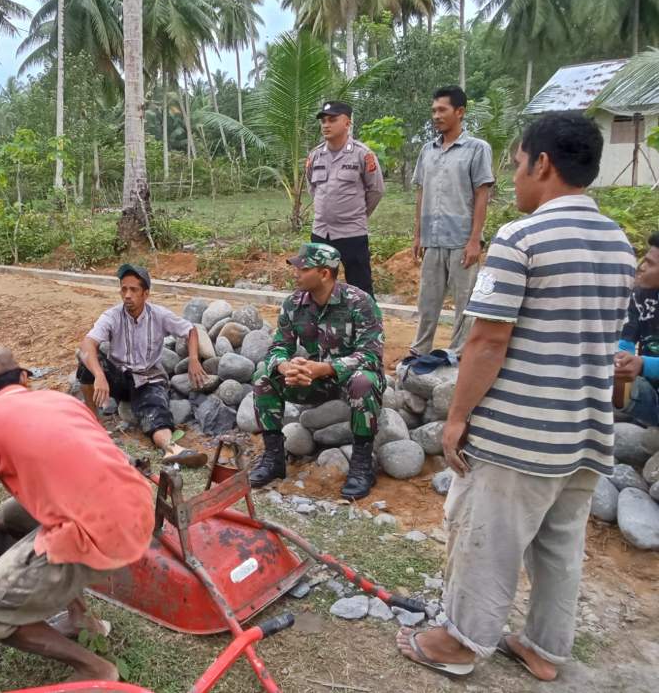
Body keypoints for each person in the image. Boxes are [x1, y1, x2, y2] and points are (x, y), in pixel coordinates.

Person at [396, 113, 635, 680]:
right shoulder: (619, 243)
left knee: (487, 537)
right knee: (558, 548)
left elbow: (486, 340)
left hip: (520, 435)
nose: (516, 175)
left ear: (543, 163)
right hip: (584, 430)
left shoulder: (521, 238)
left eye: (518, 163)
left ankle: (461, 642)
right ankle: (545, 650)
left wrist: (457, 419)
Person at [0, 345, 154, 684]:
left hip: (100, 535)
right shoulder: (63, 400)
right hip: (138, 511)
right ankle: (81, 618)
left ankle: (94, 668)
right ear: (24, 379)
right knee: (14, 512)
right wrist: (5, 521)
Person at [251, 243, 386, 498]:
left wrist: (325, 368)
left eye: (303, 268)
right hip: (313, 381)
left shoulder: (360, 302)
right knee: (263, 377)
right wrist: (286, 366)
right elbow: (279, 347)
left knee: (364, 382)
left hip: (346, 381)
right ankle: (273, 457)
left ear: (324, 273)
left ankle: (361, 464)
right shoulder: (293, 303)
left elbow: (371, 355)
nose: (296, 273)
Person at [77, 263, 208, 467]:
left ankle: (172, 450)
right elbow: (88, 343)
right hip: (119, 378)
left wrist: (192, 359)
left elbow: (190, 329)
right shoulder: (112, 316)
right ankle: (94, 421)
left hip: (148, 379)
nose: (127, 295)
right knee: (85, 360)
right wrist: (100, 375)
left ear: (145, 293)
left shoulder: (159, 315)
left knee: (155, 414)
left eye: (133, 290)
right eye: (123, 289)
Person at [410, 86, 495, 359]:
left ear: (459, 112)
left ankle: (459, 353)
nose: (436, 115)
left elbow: (482, 194)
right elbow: (421, 192)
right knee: (428, 300)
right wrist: (417, 235)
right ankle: (420, 349)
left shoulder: (477, 149)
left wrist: (474, 239)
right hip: (432, 239)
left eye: (442, 110)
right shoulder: (427, 151)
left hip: (462, 240)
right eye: (434, 110)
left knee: (464, 303)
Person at [306, 100, 385, 296]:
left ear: (347, 123)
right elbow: (312, 188)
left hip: (352, 234)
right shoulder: (315, 156)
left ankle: (367, 326)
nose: (326, 125)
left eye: (332, 120)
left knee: (360, 289)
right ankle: (322, 326)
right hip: (321, 233)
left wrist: (356, 215)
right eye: (323, 121)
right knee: (318, 285)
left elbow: (376, 190)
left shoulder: (362, 154)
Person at [614, 232, 659, 425]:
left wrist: (642, 364)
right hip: (650, 394)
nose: (641, 267)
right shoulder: (640, 295)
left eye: (650, 263)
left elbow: (640, 364)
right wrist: (622, 361)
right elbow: (626, 341)